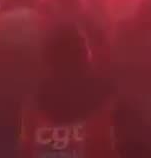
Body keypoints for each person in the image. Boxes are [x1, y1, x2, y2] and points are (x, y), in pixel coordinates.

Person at [19, 24, 117, 158]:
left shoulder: (33, 100)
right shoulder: (104, 95)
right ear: (84, 54)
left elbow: (26, 149)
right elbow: (107, 147)